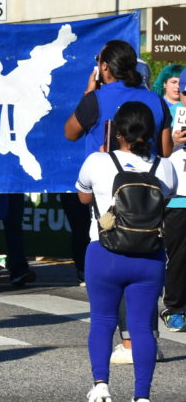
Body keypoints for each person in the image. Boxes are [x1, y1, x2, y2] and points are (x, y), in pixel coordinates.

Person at [65, 40, 172, 364]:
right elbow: (166, 150)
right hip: (149, 189)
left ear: (105, 68)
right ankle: (143, 339)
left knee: (115, 255)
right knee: (143, 254)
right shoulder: (154, 99)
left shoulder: (96, 99)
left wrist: (89, 92)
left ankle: (126, 345)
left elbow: (70, 132)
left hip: (105, 191)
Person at [77, 102, 176, 402]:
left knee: (103, 320)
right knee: (143, 328)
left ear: (117, 131)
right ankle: (142, 396)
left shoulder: (97, 161)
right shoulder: (165, 167)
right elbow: (165, 200)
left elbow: (84, 197)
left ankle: (101, 385)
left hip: (104, 253)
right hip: (148, 258)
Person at [162, 71, 186, 333]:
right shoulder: (168, 114)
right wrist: (174, 141)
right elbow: (155, 150)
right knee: (179, 257)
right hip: (178, 197)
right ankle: (175, 308)